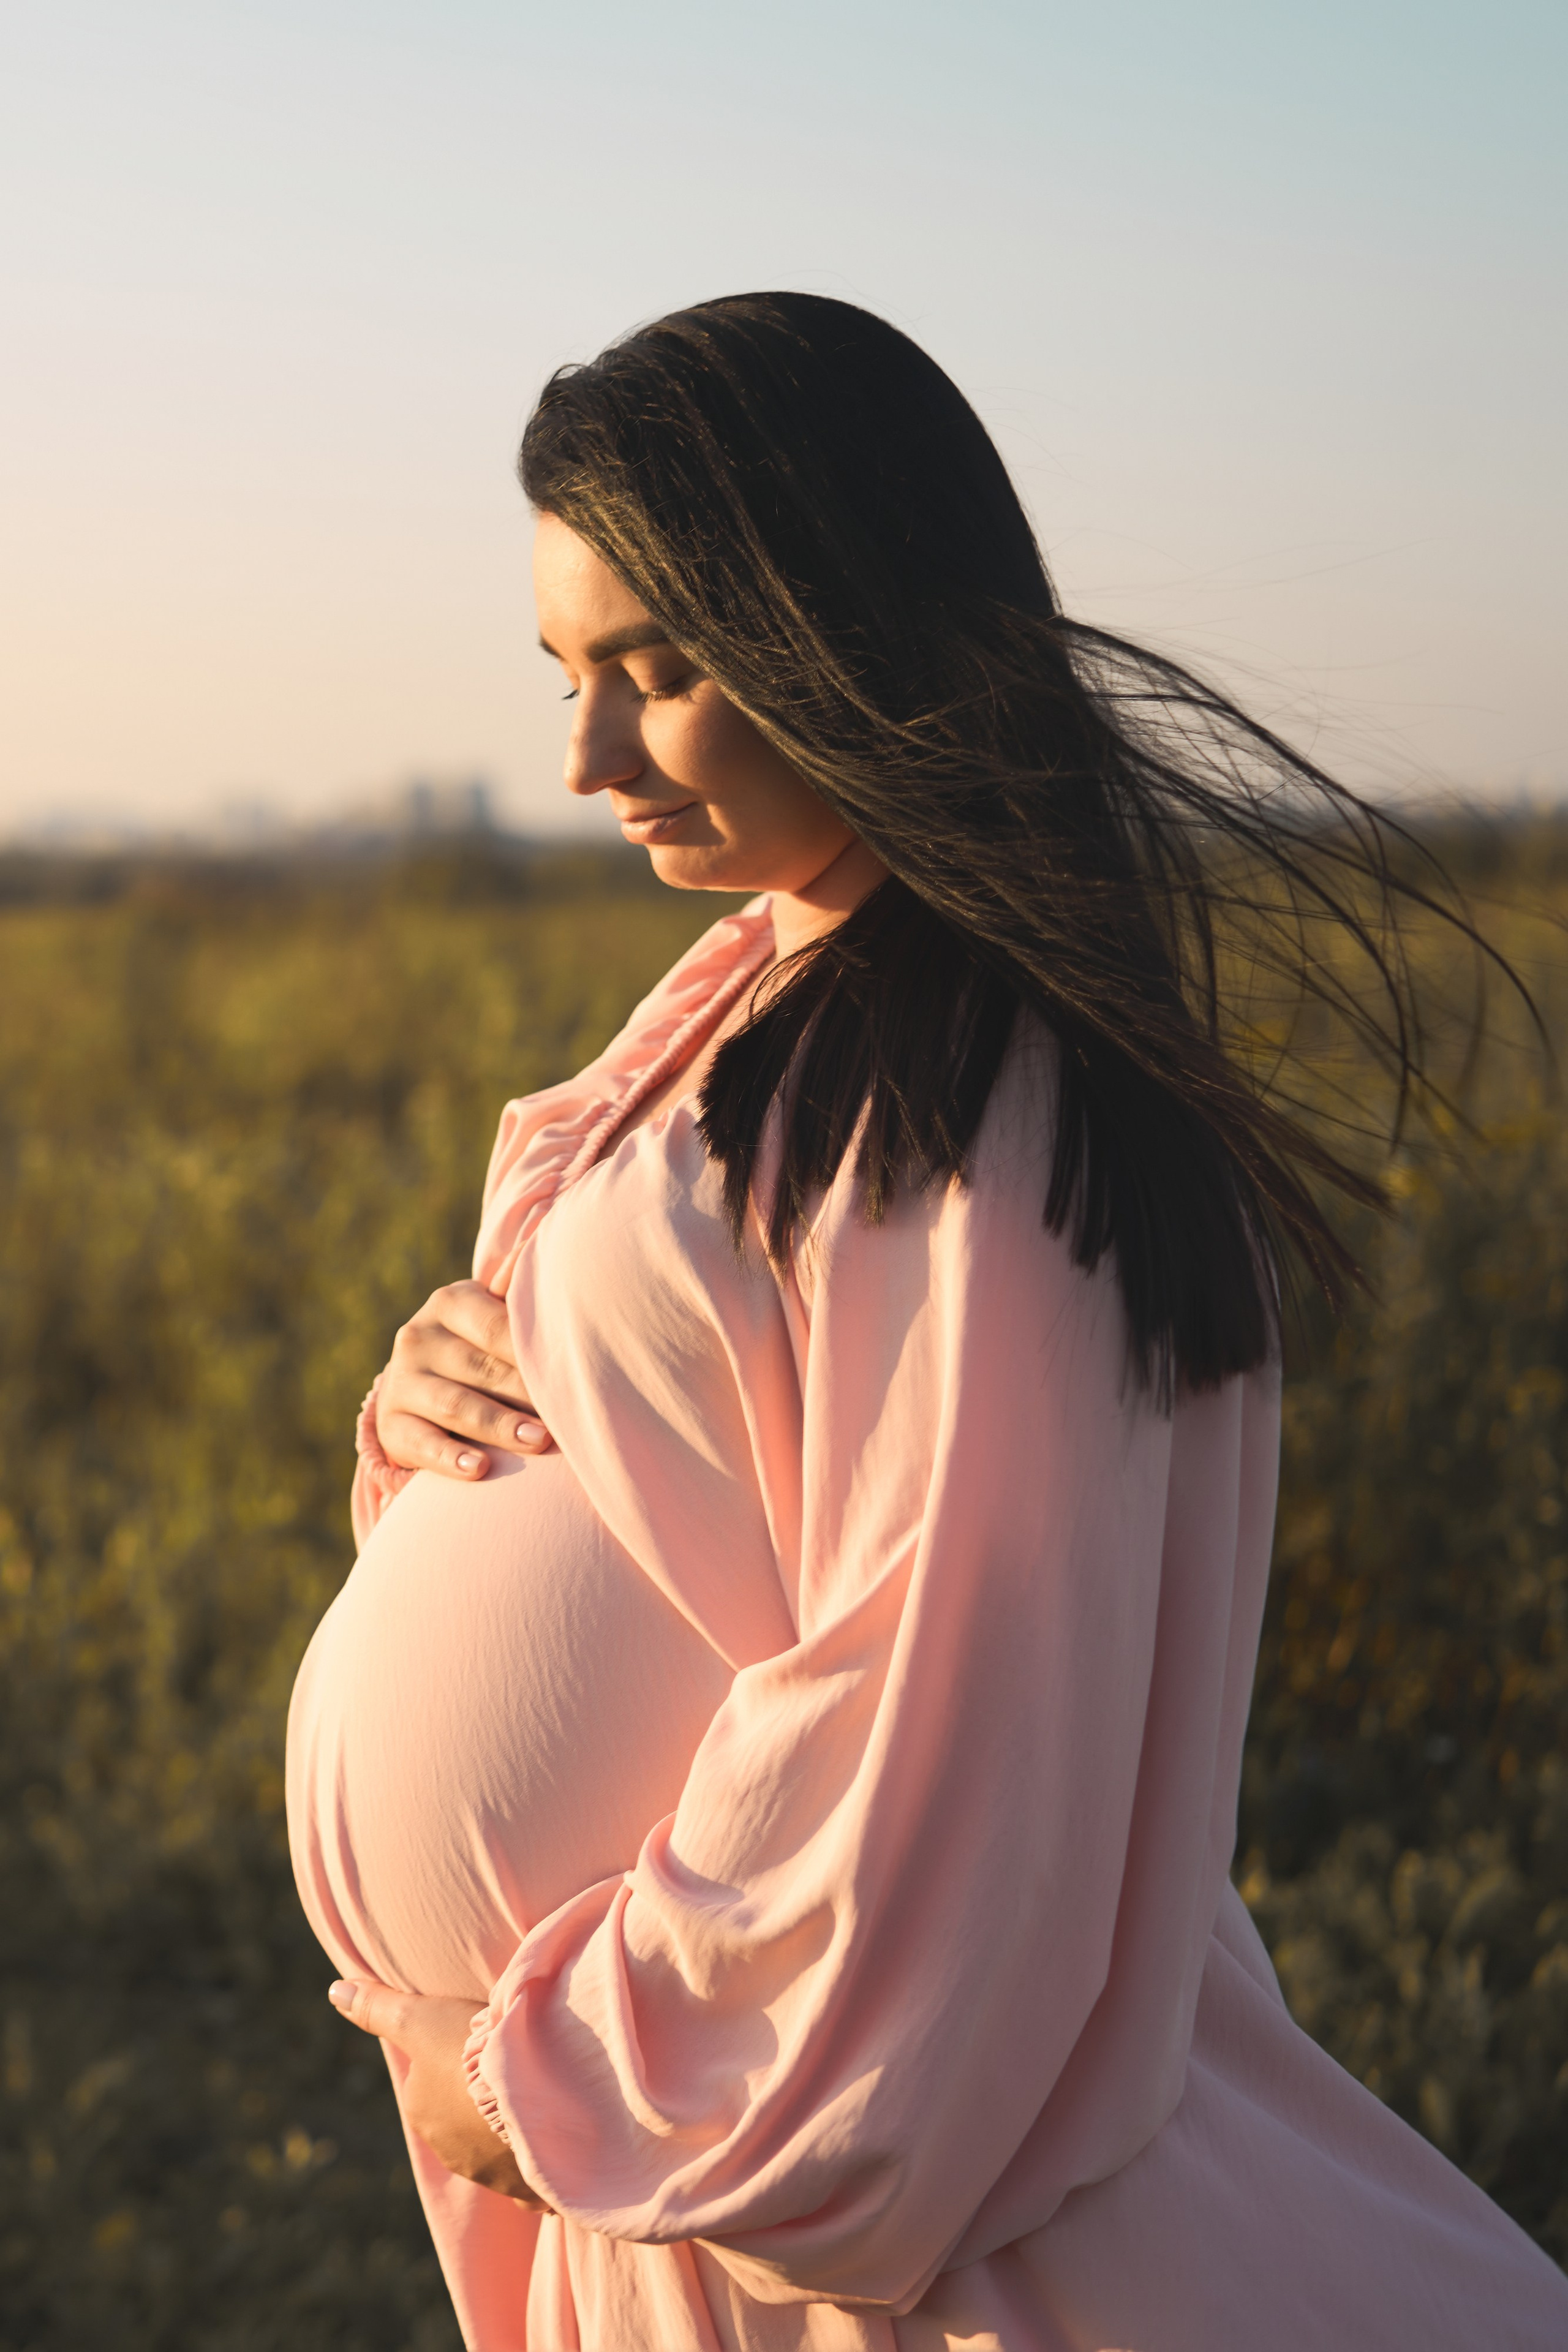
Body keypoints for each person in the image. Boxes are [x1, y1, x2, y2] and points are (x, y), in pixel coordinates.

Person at [285, 293, 1568, 2350]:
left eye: (662, 670)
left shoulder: (975, 1082)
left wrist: (550, 2083)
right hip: (691, 2180)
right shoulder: (770, 988)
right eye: (563, 675)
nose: (588, 758)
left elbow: (939, 1701)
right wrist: (439, 1404)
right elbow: (687, 1487)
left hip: (844, 2191)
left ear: (850, 628)